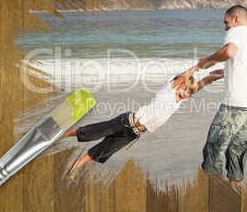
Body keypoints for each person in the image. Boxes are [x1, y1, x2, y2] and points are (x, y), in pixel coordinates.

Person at [59, 65, 218, 182]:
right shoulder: (168, 90)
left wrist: (215, 76)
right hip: (126, 123)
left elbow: (200, 85)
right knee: (91, 132)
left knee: (102, 150)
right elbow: (184, 77)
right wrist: (198, 66)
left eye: (188, 93)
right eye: (183, 89)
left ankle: (74, 165)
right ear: (177, 85)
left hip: (133, 134)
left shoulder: (178, 102)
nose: (185, 93)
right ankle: (60, 135)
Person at [197, 5, 247, 190]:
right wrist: (217, 73)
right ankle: (234, 193)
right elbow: (243, 67)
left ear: (236, 19)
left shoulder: (237, 31)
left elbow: (229, 52)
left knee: (214, 147)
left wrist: (208, 60)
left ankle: (211, 196)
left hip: (237, 102)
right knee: (237, 150)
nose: (225, 27)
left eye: (226, 22)